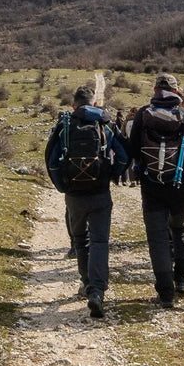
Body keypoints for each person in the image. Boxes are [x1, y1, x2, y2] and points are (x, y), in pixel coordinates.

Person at [45, 85, 128, 318]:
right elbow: (123, 155)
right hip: (100, 192)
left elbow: (50, 160)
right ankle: (97, 292)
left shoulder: (65, 125)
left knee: (80, 240)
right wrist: (110, 175)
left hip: (74, 195)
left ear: (73, 105)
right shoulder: (105, 124)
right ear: (95, 104)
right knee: (100, 241)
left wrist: (62, 186)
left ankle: (86, 282)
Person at [126, 73, 184, 308]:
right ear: (177, 92)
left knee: (157, 238)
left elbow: (133, 148)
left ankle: (165, 292)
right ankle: (182, 279)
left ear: (156, 90)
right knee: (180, 229)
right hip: (179, 184)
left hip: (151, 185)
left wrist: (143, 167)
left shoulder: (143, 114)